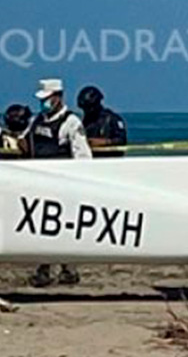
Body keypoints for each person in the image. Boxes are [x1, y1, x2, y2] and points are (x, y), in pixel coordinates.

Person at [28, 79, 90, 287]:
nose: (44, 103)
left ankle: (69, 269)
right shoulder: (37, 121)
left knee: (65, 227)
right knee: (41, 228)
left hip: (65, 185)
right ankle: (44, 268)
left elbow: (82, 156)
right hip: (40, 183)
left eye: (47, 99)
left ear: (58, 97)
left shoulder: (71, 123)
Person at [78, 85, 127, 158]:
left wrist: (104, 142)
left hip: (110, 160)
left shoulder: (112, 119)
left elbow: (122, 140)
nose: (86, 111)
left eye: (88, 108)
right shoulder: (85, 122)